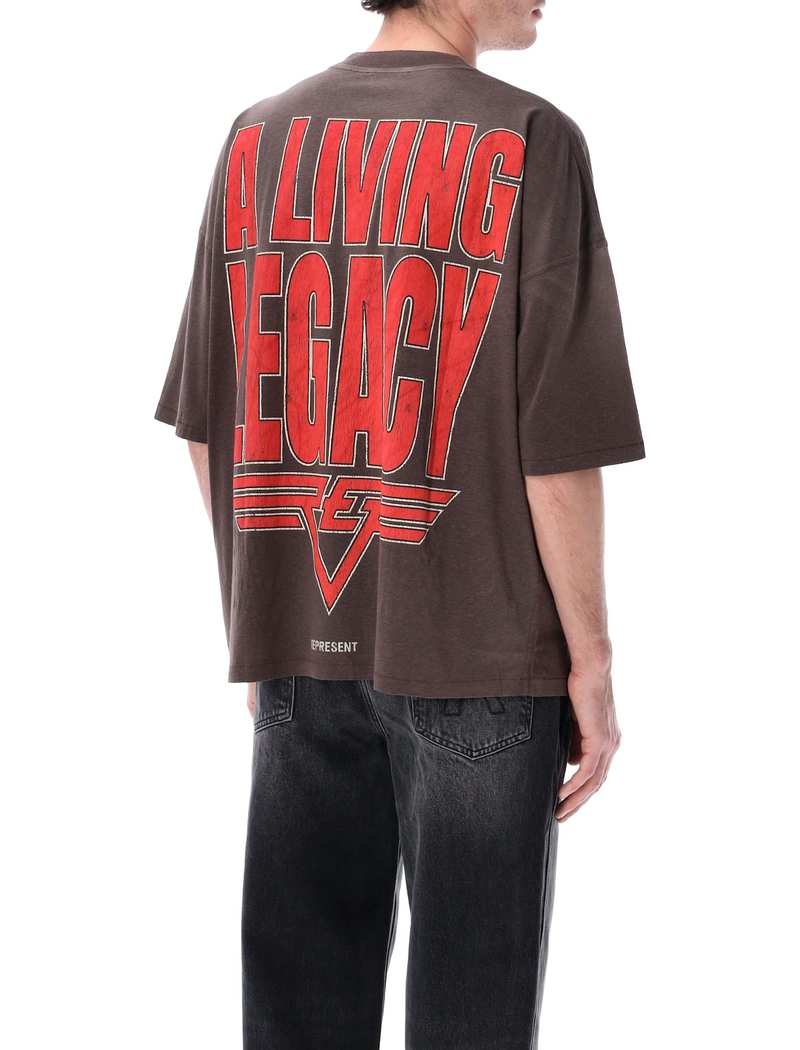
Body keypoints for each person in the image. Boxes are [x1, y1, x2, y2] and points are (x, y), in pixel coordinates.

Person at [155, 1, 644, 1046]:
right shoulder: (528, 138)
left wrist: (261, 626)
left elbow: (208, 424)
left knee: (299, 1008)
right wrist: (593, 664)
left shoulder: (258, 135)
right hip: (482, 656)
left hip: (296, 654)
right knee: (473, 1015)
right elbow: (557, 447)